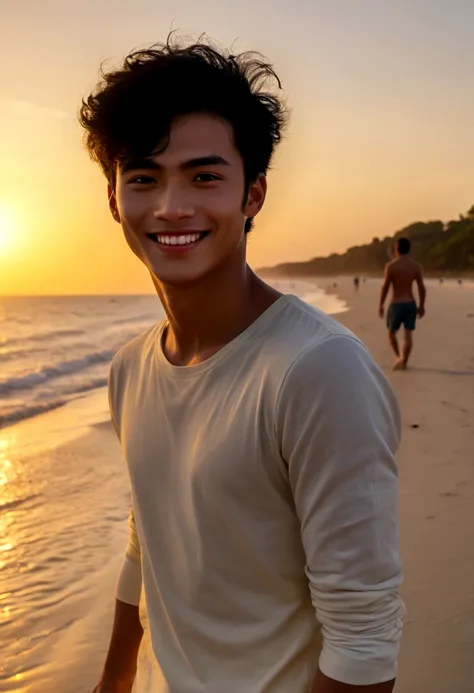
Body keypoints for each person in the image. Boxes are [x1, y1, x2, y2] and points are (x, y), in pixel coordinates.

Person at [80, 36, 404, 693]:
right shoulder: (129, 370)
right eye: (143, 176)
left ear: (253, 194)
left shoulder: (317, 371)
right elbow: (148, 547)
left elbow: (364, 640)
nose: (172, 206)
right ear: (115, 198)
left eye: (204, 176)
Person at [379, 237, 426, 370]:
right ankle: (404, 362)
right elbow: (421, 287)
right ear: (409, 249)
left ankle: (399, 357)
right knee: (408, 335)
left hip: (396, 304)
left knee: (391, 333)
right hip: (410, 303)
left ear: (396, 249)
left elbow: (386, 287)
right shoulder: (415, 266)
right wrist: (422, 305)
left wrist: (381, 304)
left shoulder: (391, 266)